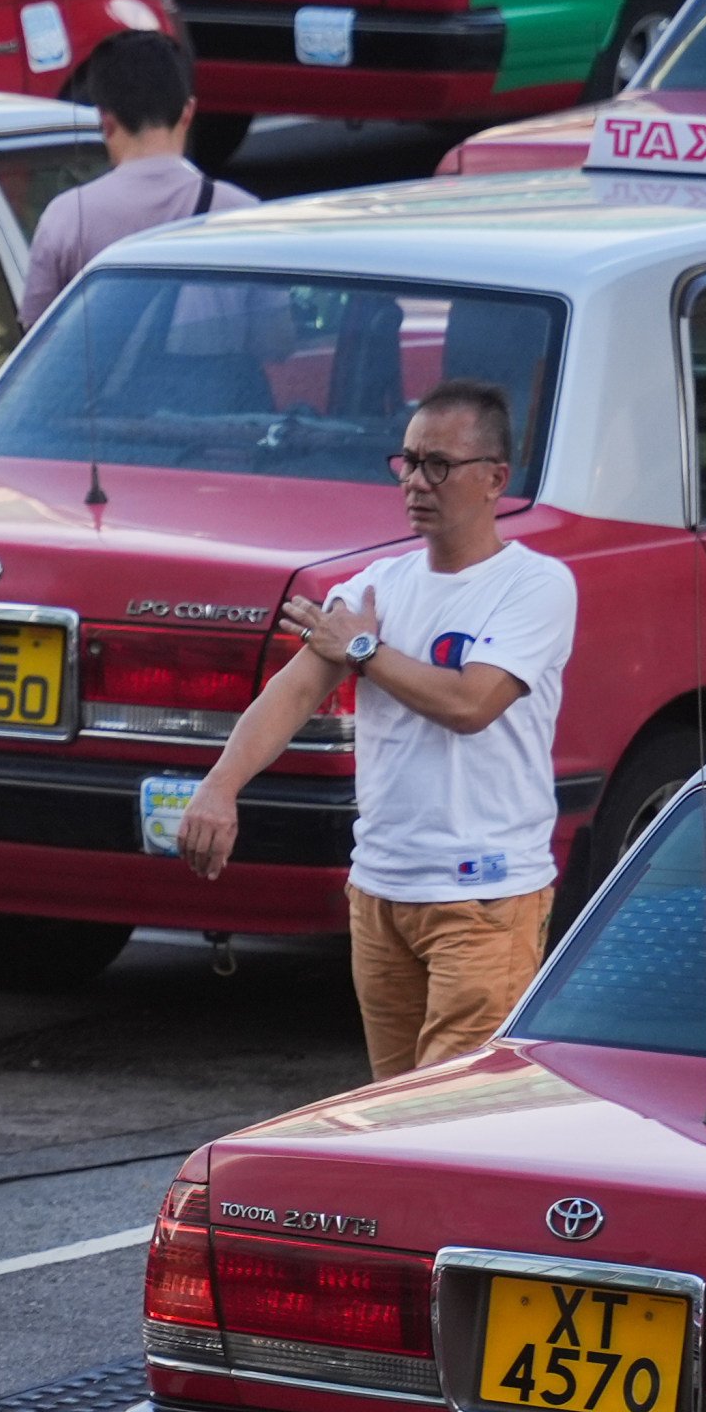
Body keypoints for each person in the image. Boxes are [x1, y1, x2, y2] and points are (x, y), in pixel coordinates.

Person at [176, 377, 577, 1079]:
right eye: (407, 461)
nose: (416, 482)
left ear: (493, 479)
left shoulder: (536, 586)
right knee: (391, 1112)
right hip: (379, 893)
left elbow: (469, 704)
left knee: (451, 1119)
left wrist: (363, 651)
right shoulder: (374, 587)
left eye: (438, 465)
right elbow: (290, 693)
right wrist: (219, 786)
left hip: (483, 899)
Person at [16, 29, 256, 323]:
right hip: (218, 368)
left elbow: (35, 333)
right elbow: (276, 340)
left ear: (105, 121)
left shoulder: (66, 217)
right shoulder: (242, 214)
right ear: (188, 111)